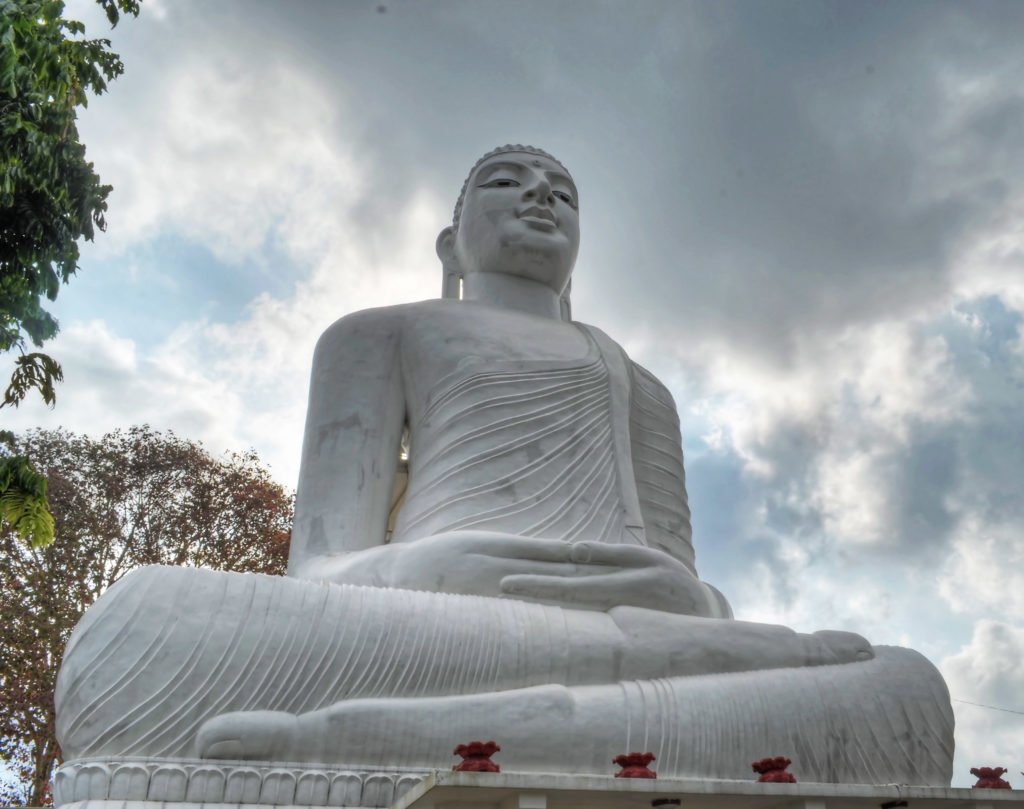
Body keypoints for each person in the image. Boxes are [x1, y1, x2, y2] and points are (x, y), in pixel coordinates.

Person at [54, 147, 953, 788]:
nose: (540, 197)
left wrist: (680, 602)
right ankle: (649, 707)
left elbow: (693, 586)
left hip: (645, 631)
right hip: (435, 622)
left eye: (561, 190)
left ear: (579, 254)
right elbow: (319, 570)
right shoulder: (379, 334)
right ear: (453, 244)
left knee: (906, 685)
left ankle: (359, 733)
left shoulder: (639, 384)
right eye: (507, 181)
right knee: (143, 620)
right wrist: (430, 566)